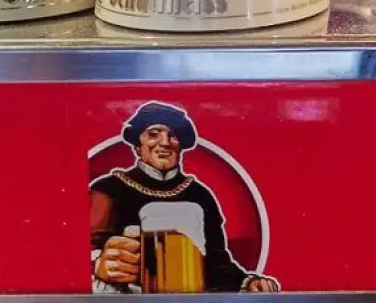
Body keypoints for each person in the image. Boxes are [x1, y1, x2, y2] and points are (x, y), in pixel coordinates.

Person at [89, 102, 278, 293]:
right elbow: (77, 254)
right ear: (138, 145)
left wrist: (247, 283)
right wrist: (99, 265)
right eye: (154, 134)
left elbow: (217, 263)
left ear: (181, 145)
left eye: (173, 135)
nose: (165, 142)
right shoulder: (107, 189)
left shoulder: (200, 195)